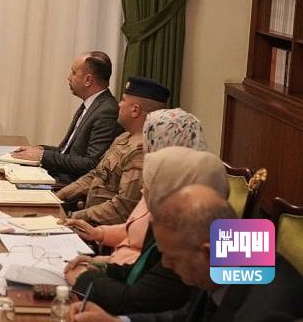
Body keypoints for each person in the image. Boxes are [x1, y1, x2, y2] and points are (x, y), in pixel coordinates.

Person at [70, 185, 303, 321]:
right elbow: (184, 316)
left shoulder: (265, 313)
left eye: (172, 257)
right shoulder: (229, 247)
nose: (165, 265)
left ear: (208, 253)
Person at [65, 147, 229, 315]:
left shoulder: (188, 239)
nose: (166, 263)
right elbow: (182, 316)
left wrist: (84, 278)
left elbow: (136, 301)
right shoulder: (218, 244)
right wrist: (102, 268)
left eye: (151, 186)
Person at [64, 109, 207, 268]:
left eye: (150, 140)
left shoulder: (185, 207)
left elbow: (147, 270)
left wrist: (99, 270)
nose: (142, 146)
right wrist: (98, 234)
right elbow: (135, 232)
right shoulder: (159, 185)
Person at [56, 77, 169, 225]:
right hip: (87, 218)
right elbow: (95, 174)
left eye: (123, 100)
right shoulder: (123, 138)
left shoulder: (140, 152)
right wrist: (59, 196)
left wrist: (72, 217)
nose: (119, 105)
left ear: (135, 110)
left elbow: (122, 210)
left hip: (101, 228)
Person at [11, 52, 121, 184]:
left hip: (70, 186)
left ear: (88, 80)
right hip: (60, 178)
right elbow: (66, 152)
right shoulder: (92, 105)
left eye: (74, 73)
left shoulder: (107, 111)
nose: (69, 77)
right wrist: (40, 149)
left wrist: (42, 156)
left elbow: (91, 164)